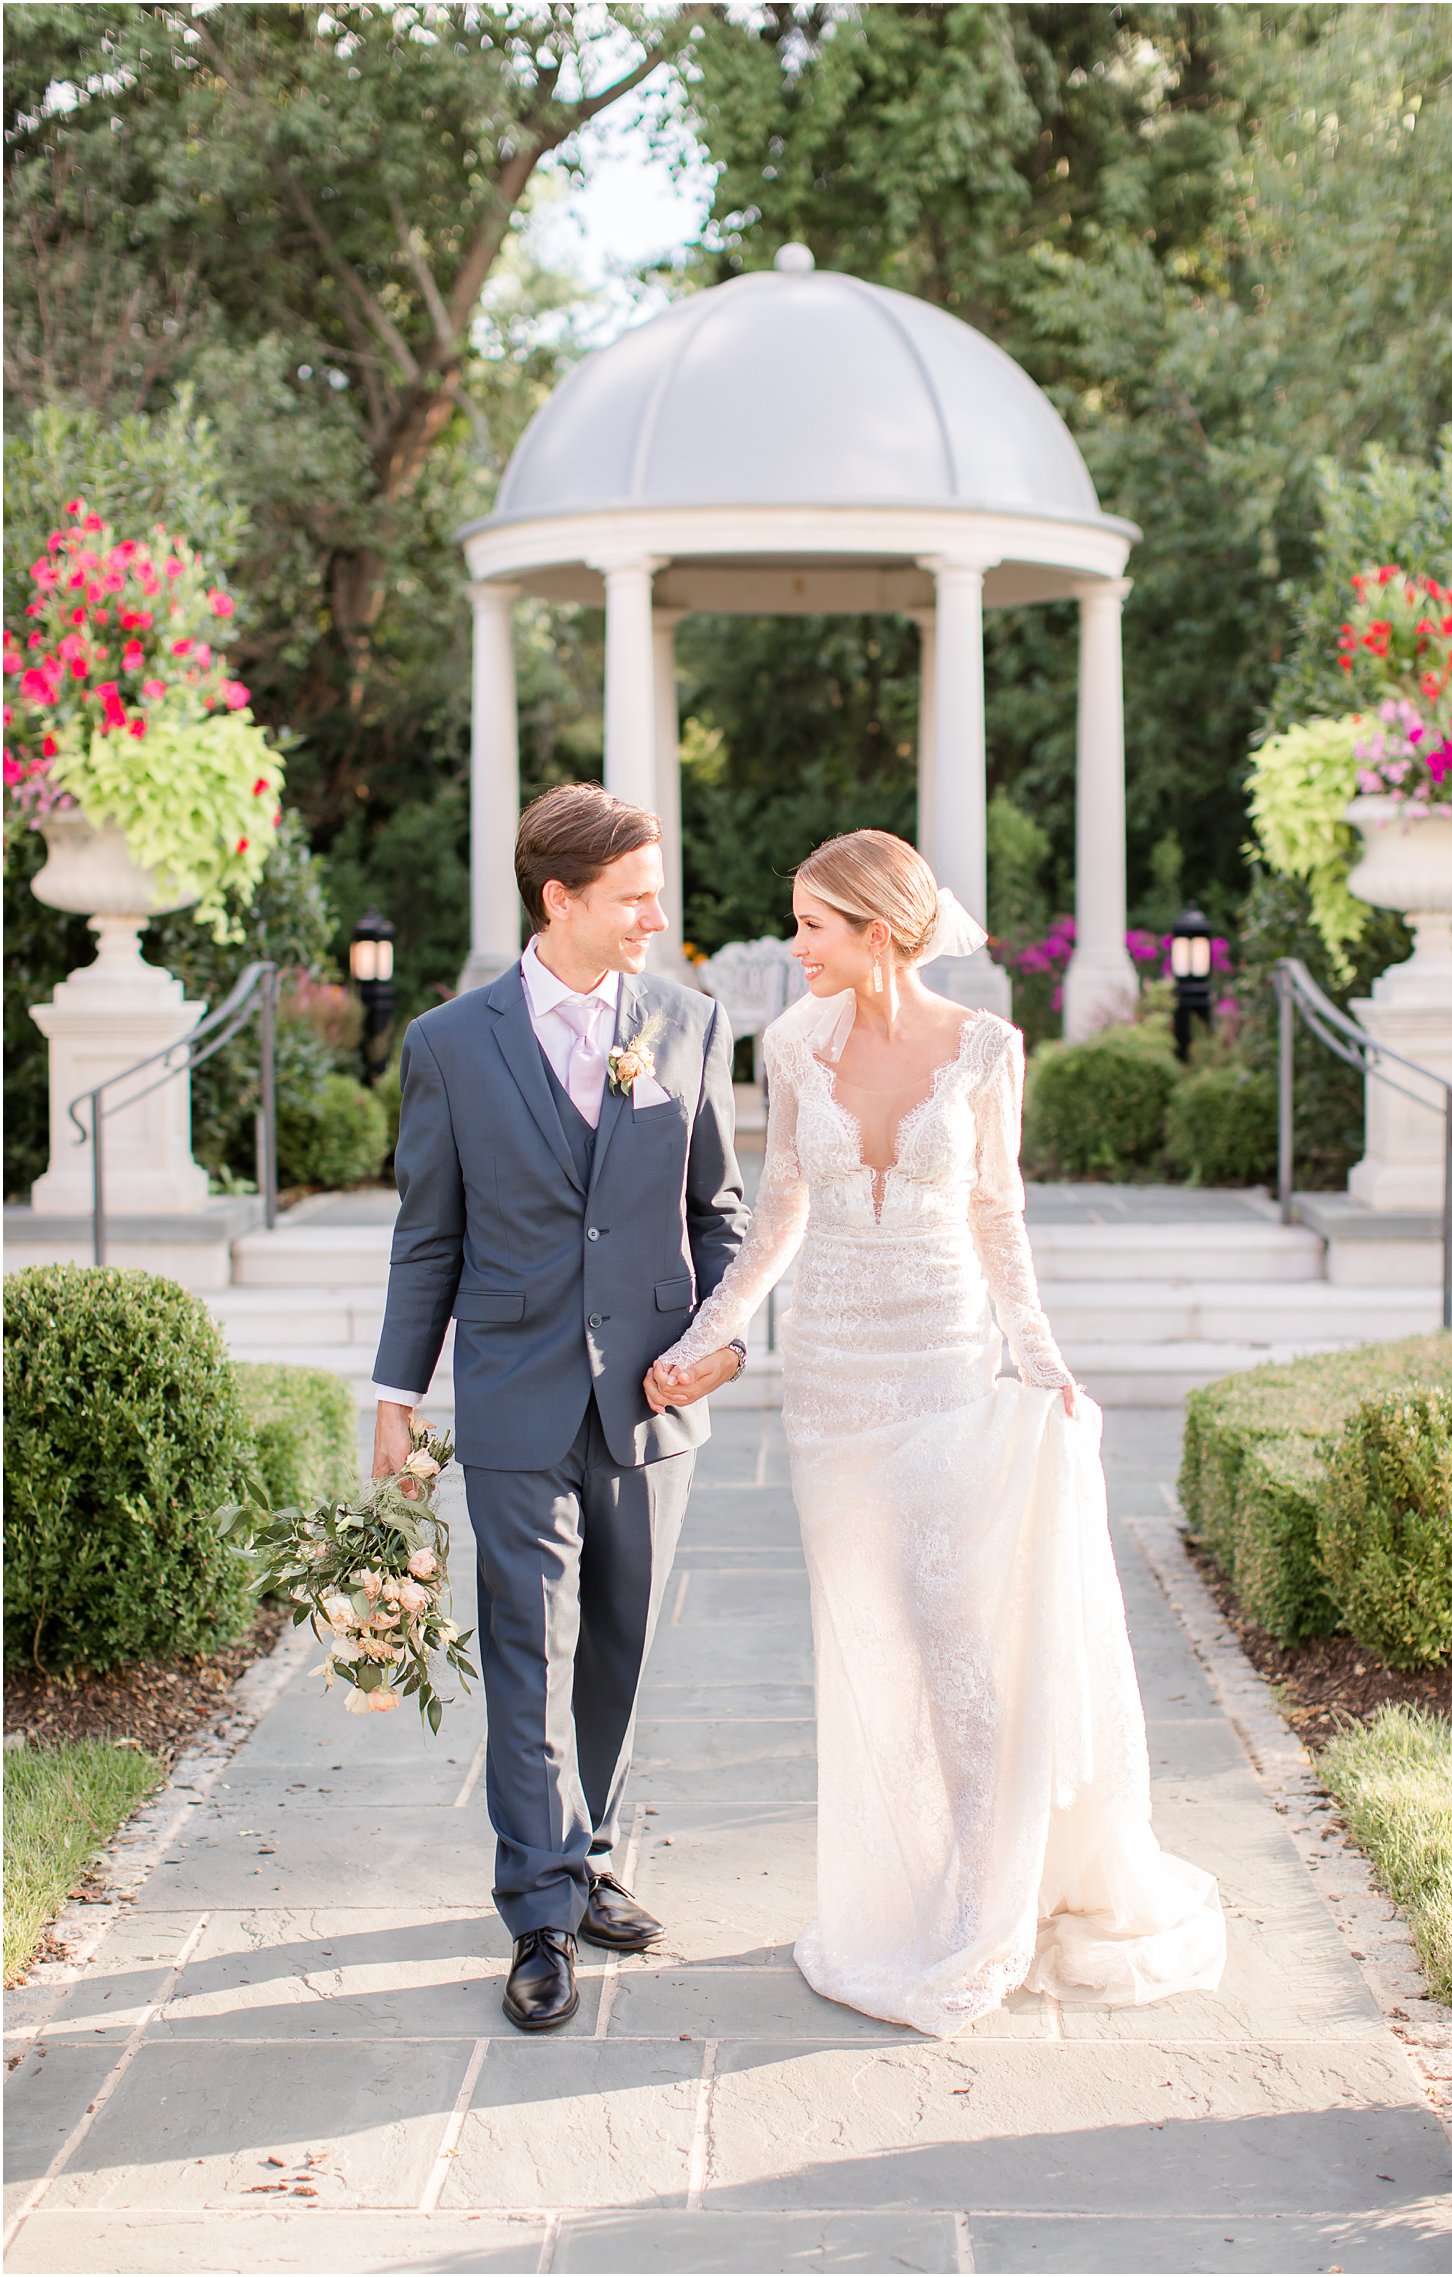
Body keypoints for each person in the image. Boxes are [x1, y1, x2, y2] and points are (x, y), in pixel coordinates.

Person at [646, 829, 1225, 2038]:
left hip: (944, 1363)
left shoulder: (984, 1047)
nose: (792, 945)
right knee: (875, 1640)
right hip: (832, 1380)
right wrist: (707, 1336)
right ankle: (898, 1887)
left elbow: (998, 1218)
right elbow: (774, 1223)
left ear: (875, 932)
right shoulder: (789, 1045)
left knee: (954, 1628)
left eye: (811, 925)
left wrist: (1044, 1361)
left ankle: (978, 1903)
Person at [372, 783, 748, 2032]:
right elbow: (427, 1239)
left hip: (651, 1394)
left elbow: (720, 1215)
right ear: (560, 899)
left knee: (621, 1643)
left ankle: (584, 1858)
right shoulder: (446, 1044)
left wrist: (715, 1342)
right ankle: (536, 1908)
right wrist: (394, 1393)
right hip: (515, 1392)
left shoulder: (690, 1023)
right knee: (528, 1646)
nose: (656, 916)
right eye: (635, 897)